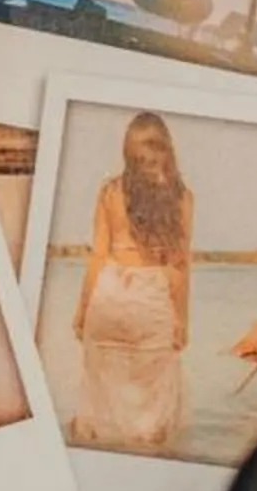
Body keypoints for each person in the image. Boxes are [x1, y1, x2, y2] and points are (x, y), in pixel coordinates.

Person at [71, 112, 193, 453]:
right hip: (152, 300)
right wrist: (182, 320)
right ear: (167, 149)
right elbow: (180, 266)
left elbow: (98, 256)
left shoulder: (110, 192)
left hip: (109, 294)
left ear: (127, 151)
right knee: (152, 417)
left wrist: (82, 312)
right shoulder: (182, 198)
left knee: (98, 407)